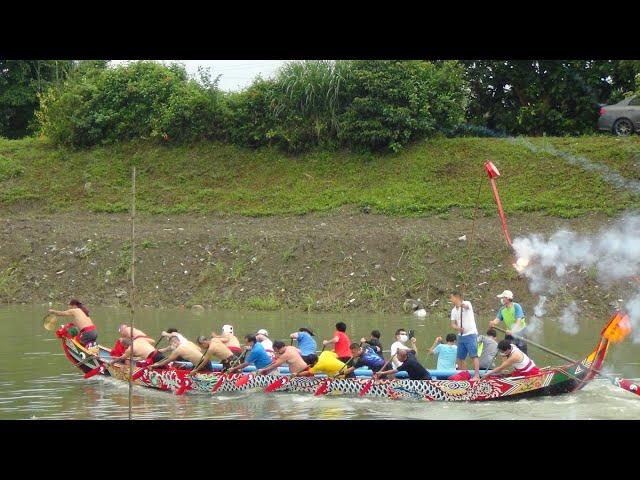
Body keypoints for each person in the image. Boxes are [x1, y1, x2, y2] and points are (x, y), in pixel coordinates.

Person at [450, 290, 480, 381]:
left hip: (471, 334)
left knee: (473, 355)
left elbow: (466, 307)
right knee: (460, 357)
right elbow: (453, 324)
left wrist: (461, 305)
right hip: (461, 335)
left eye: (451, 297)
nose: (451, 299)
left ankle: (476, 376)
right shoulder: (453, 310)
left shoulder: (467, 303)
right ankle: (464, 374)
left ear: (457, 297)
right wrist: (458, 328)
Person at [489, 290, 529, 354]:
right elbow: (497, 319)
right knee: (505, 351)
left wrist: (513, 331)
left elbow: (518, 322)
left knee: (522, 353)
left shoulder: (516, 306)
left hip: (520, 332)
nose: (502, 300)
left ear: (507, 298)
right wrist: (493, 323)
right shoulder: (502, 309)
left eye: (503, 298)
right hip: (509, 332)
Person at [148, 336, 213, 371]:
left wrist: (155, 365)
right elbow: (199, 349)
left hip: (202, 365)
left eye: (171, 344)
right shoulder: (188, 343)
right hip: (207, 362)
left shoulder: (178, 350)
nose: (171, 346)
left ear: (174, 342)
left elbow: (167, 361)